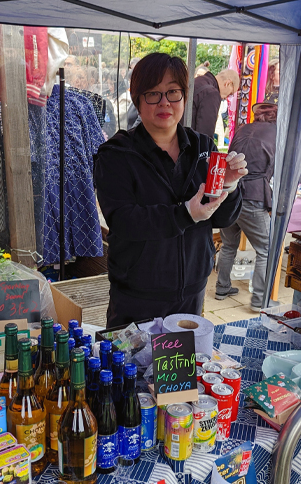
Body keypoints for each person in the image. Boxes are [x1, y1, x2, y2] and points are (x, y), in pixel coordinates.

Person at [94, 53, 247, 328]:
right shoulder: (116, 154)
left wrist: (229, 185)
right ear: (137, 100)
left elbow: (223, 219)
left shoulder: (203, 148)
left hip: (192, 292)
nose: (164, 102)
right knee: (133, 370)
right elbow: (124, 220)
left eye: (173, 92)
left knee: (182, 370)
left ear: (184, 97)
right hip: (137, 297)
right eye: (153, 93)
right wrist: (185, 213)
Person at [215, 103, 277, 309]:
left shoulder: (243, 128)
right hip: (253, 194)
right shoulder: (277, 133)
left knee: (228, 245)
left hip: (231, 191)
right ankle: (259, 300)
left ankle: (222, 287)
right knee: (266, 250)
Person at [192, 68, 239, 139]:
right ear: (228, 83)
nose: (226, 97)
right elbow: (205, 132)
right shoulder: (212, 93)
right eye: (230, 94)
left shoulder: (199, 80)